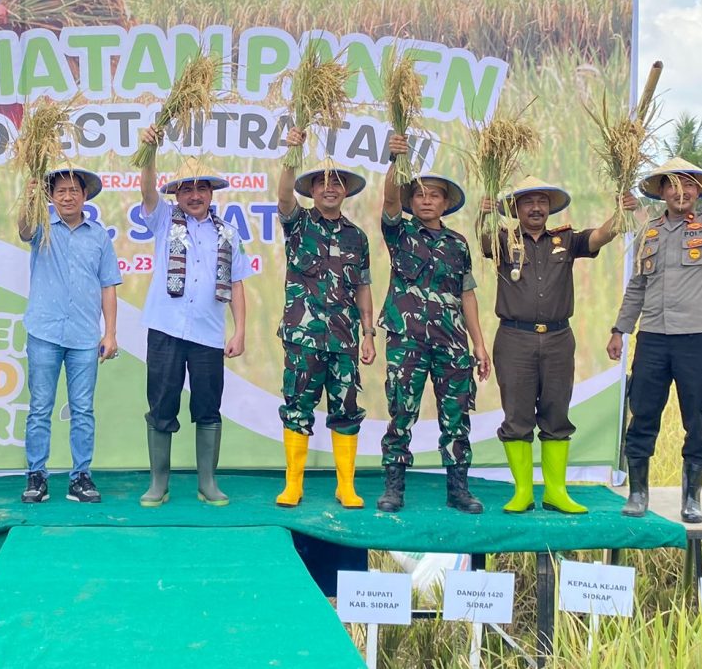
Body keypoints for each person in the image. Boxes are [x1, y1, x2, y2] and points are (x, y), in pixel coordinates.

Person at [480, 176, 638, 514]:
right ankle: (523, 492)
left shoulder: (566, 239)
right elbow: (483, 238)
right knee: (517, 415)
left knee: (556, 412)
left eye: (542, 201)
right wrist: (485, 213)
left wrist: (621, 212)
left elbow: (601, 236)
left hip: (557, 339)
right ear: (516, 209)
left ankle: (555, 492)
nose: (536, 207)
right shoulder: (502, 240)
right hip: (514, 338)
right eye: (527, 202)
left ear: (550, 208)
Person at [609, 157, 702, 523]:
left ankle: (692, 499)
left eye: (687, 185)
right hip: (652, 338)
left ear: (699, 191)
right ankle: (637, 494)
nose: (680, 192)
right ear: (662, 192)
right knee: (643, 414)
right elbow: (637, 286)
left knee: (697, 420)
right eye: (671, 185)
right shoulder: (648, 233)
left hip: (696, 340)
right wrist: (620, 328)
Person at [135, 126, 252, 508]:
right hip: (166, 330)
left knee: (207, 406)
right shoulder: (165, 221)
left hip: (208, 334)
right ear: (177, 195)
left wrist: (240, 332)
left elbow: (237, 285)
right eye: (187, 189)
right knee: (162, 404)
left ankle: (208, 483)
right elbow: (148, 192)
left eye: (202, 188)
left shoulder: (229, 234)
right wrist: (149, 151)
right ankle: (159, 484)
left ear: (212, 194)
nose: (195, 195)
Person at [376, 134, 491, 514]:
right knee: (401, 412)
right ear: (412, 202)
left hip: (452, 341)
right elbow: (389, 200)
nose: (427, 200)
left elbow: (467, 294)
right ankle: (394, 488)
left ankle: (458, 489)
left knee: (456, 414)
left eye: (435, 195)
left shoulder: (458, 244)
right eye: (420, 194)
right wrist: (396, 161)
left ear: (445, 202)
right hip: (407, 340)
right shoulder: (400, 233)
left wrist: (479, 343)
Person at [273, 130, 376, 509]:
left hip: (345, 339)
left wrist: (368, 333)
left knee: (346, 409)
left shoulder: (357, 237)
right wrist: (292, 151)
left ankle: (345, 485)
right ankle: (293, 484)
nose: (330, 189)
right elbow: (283, 196)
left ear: (346, 192)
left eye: (337, 184)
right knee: (297, 406)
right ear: (312, 190)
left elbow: (363, 287)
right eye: (322, 183)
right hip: (303, 337)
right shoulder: (299, 224)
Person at [17, 168, 121, 503]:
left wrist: (111, 333)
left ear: (85, 195)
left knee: (82, 409)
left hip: (83, 337)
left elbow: (108, 287)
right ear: (51, 196)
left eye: (74, 190)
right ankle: (36, 477)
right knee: (40, 408)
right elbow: (23, 229)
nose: (67, 197)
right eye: (60, 191)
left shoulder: (98, 236)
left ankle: (81, 478)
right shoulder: (43, 228)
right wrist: (28, 196)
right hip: (44, 331)